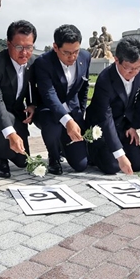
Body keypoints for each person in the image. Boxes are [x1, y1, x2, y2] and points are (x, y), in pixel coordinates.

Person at [0, 20, 37, 178]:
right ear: (8, 44)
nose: (24, 53)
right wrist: (11, 134)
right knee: (6, 121)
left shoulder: (32, 63)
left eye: (29, 47)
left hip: (15, 110)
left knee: (23, 161)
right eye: (19, 47)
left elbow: (32, 87)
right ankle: (0, 157)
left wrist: (32, 105)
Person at [33, 24, 91, 175]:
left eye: (75, 52)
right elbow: (49, 95)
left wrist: (80, 114)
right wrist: (67, 121)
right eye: (67, 53)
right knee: (54, 125)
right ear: (55, 47)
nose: (72, 57)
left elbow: (84, 88)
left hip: (73, 110)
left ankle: (63, 145)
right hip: (49, 111)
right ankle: (53, 157)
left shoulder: (85, 57)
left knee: (81, 165)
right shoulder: (43, 63)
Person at [86, 37, 140, 175]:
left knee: (137, 164)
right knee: (113, 167)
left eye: (137, 68)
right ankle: (91, 150)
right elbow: (105, 117)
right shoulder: (105, 79)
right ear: (116, 60)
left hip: (123, 124)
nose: (133, 73)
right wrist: (120, 154)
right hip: (101, 126)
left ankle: (117, 145)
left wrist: (133, 126)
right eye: (128, 68)